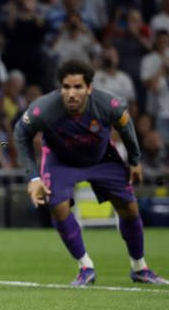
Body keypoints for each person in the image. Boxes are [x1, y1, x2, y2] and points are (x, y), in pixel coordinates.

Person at [13, 59, 167, 286]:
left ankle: (139, 267)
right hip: (61, 160)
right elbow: (20, 133)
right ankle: (85, 267)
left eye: (78, 87)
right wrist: (33, 177)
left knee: (130, 208)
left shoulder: (109, 104)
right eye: (66, 87)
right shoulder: (44, 108)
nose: (71, 93)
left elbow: (126, 127)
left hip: (102, 158)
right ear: (60, 88)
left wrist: (135, 161)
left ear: (89, 88)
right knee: (58, 206)